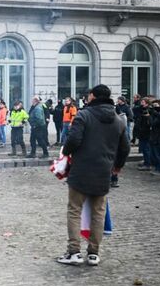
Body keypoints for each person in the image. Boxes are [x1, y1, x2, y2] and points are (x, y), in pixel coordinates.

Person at [57, 84, 129, 267]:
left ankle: (74, 252)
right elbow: (125, 148)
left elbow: (73, 140)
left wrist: (65, 152)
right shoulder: (119, 120)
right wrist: (117, 166)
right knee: (98, 213)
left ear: (93, 96)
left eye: (89, 95)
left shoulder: (84, 115)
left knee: (74, 210)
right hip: (103, 171)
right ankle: (93, 253)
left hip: (81, 170)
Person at [149, 100, 160, 176]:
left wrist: (154, 115)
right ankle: (158, 168)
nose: (154, 107)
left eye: (156, 105)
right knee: (157, 153)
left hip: (159, 136)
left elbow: (153, 124)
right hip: (156, 135)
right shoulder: (158, 114)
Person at [135, 98, 152, 171]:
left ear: (147, 103)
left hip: (146, 132)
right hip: (142, 132)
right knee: (144, 148)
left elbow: (148, 123)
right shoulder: (141, 109)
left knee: (146, 149)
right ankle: (146, 162)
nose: (141, 103)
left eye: (143, 102)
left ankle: (148, 164)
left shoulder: (148, 110)